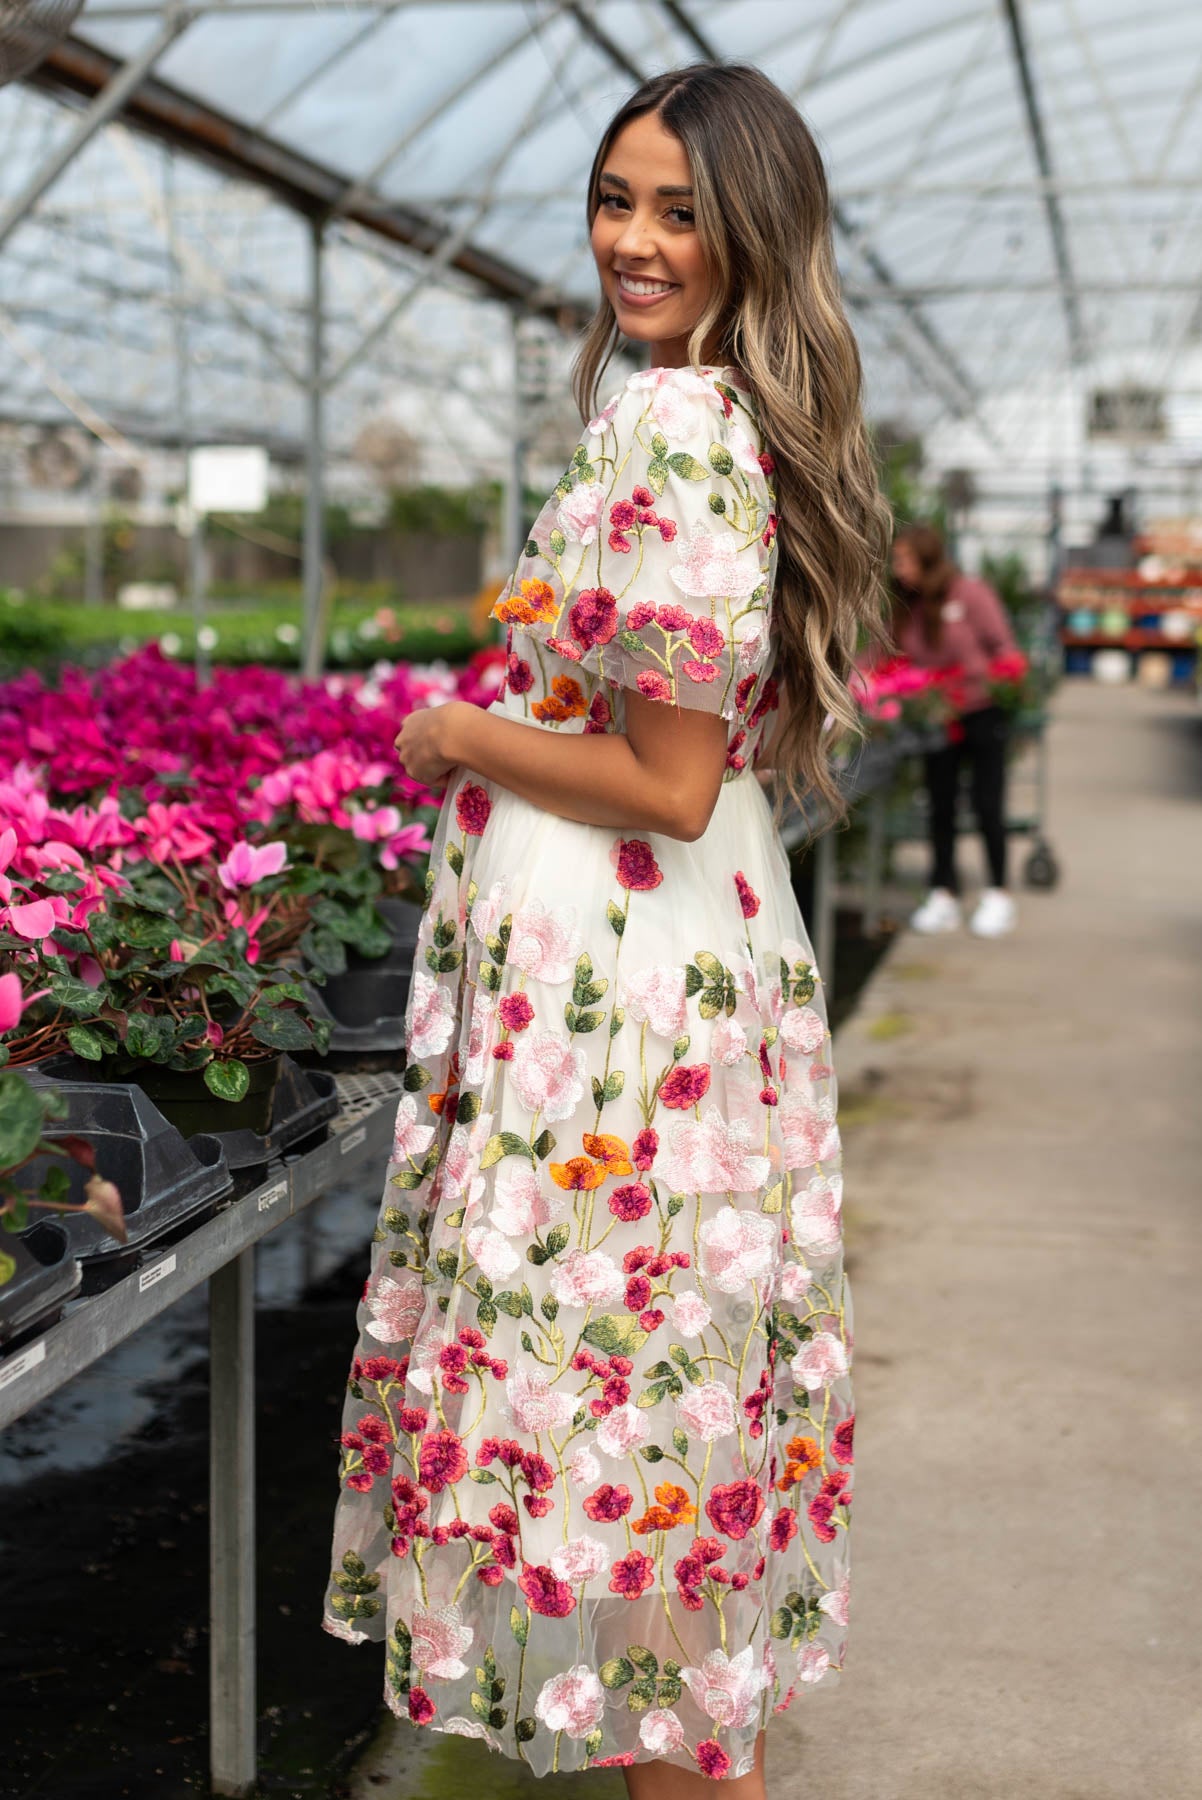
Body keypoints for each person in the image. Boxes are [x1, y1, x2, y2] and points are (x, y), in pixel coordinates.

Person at [321, 61, 889, 1796]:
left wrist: (459, 735)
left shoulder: (674, 424)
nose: (631, 240)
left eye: (677, 211)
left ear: (750, 235)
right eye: (614, 197)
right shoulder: (705, 413)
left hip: (620, 977)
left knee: (622, 1421)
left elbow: (656, 776)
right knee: (664, 1430)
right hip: (672, 948)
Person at [890, 524, 1022, 938]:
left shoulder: (970, 595)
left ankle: (998, 892)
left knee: (987, 803)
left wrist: (994, 683)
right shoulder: (908, 606)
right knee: (940, 804)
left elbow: (1004, 649)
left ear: (927, 559)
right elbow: (885, 653)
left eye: (905, 559)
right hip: (935, 715)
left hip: (981, 713)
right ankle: (943, 891)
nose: (898, 568)